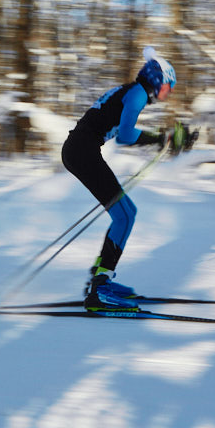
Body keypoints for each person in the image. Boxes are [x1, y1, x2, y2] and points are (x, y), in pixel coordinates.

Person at [62, 47, 193, 311]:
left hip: (80, 150)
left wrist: (162, 139)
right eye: (169, 85)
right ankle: (100, 288)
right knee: (124, 215)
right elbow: (124, 136)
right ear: (156, 79)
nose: (170, 92)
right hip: (81, 152)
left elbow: (122, 131)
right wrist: (161, 139)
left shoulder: (133, 92)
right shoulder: (137, 94)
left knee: (127, 212)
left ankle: (100, 278)